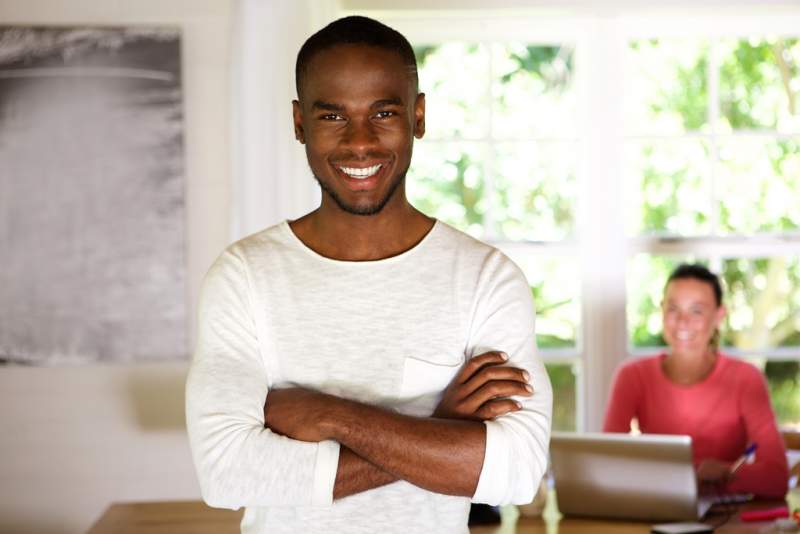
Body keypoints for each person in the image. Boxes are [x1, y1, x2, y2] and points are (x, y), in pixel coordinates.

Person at [185, 15, 552, 533]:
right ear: (299, 124)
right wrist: (442, 431)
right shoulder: (244, 276)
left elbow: (514, 473)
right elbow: (227, 474)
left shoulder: (486, 278)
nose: (361, 142)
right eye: (333, 116)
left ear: (418, 116)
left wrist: (333, 417)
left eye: (383, 112)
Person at [603, 263, 788, 498]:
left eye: (697, 311)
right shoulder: (632, 376)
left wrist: (726, 475)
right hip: (656, 508)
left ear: (719, 315)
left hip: (726, 517)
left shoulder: (745, 379)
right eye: (673, 309)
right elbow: (607, 464)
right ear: (661, 311)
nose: (682, 321)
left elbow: (777, 477)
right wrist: (693, 477)